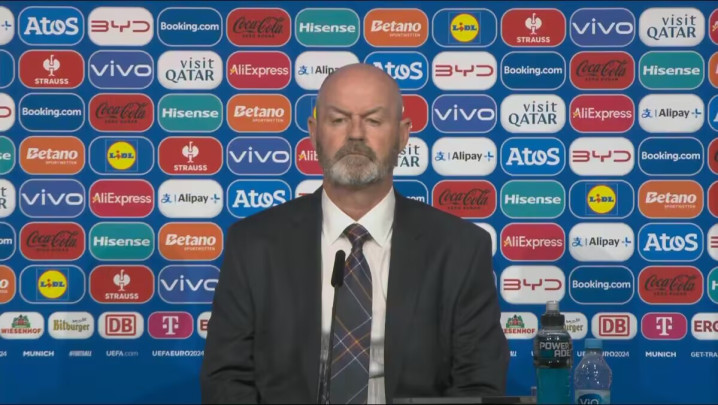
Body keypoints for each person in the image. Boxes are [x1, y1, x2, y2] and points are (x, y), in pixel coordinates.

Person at [200, 63, 509, 404]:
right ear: (314, 132)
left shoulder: (460, 248)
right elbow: (226, 379)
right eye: (338, 120)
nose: (356, 134)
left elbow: (478, 383)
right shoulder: (254, 244)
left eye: (373, 120)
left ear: (403, 135)